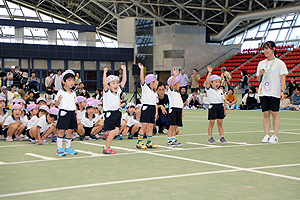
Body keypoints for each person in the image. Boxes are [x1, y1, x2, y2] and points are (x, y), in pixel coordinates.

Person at [257, 41, 288, 144]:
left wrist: (282, 91)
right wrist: (260, 74)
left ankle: (275, 135)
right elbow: (258, 79)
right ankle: (266, 135)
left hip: (274, 91)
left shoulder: (280, 63)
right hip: (263, 92)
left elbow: (283, 78)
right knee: (266, 114)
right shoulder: (261, 63)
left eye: (267, 48)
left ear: (273, 49)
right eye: (264, 49)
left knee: (275, 113)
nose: (265, 51)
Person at [102, 65, 126, 154]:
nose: (116, 84)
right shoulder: (107, 92)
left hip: (117, 113)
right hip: (109, 114)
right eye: (113, 83)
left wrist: (124, 70)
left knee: (116, 132)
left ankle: (107, 134)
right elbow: (104, 83)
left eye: (116, 82)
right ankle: (106, 147)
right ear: (108, 85)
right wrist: (104, 72)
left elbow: (124, 81)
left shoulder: (118, 92)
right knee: (113, 132)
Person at [55, 70, 78, 157]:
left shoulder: (73, 93)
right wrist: (58, 101)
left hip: (72, 113)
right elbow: (56, 104)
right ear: (63, 81)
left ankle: (68, 148)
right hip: (64, 113)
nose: (71, 82)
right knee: (61, 131)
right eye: (69, 80)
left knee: (69, 131)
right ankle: (59, 149)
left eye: (73, 80)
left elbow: (75, 104)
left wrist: (76, 115)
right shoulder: (60, 92)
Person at [136, 63, 158, 149]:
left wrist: (156, 112)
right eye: (155, 81)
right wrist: (141, 69)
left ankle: (149, 142)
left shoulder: (155, 92)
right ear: (151, 83)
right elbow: (142, 80)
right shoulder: (145, 88)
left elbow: (156, 103)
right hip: (146, 108)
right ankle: (139, 142)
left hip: (152, 109)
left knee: (151, 127)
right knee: (144, 126)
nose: (157, 82)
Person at [206, 65, 227, 145]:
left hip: (220, 107)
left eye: (218, 82)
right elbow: (207, 82)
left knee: (220, 123)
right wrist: (209, 73)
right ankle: (210, 137)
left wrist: (224, 109)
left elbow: (223, 101)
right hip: (213, 107)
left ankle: (222, 137)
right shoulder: (209, 90)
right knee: (211, 123)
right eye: (215, 82)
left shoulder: (220, 91)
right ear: (211, 83)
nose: (217, 83)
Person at [166, 69, 183, 147]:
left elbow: (180, 103)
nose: (180, 85)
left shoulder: (178, 93)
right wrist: (175, 76)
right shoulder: (171, 91)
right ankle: (169, 140)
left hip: (178, 110)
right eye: (178, 83)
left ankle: (173, 139)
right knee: (172, 126)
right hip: (173, 110)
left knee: (175, 126)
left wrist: (182, 111)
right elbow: (171, 85)